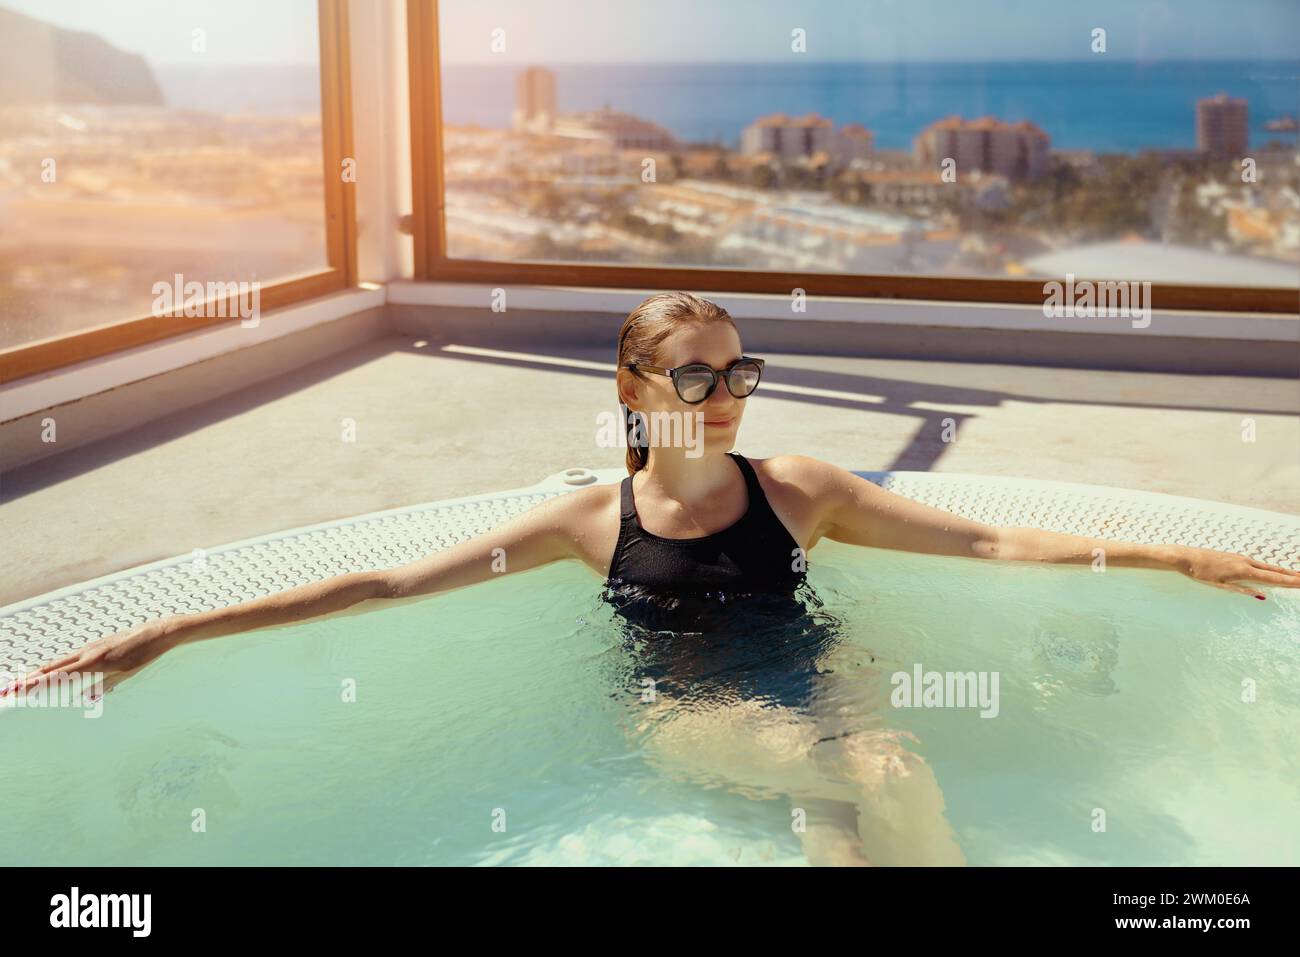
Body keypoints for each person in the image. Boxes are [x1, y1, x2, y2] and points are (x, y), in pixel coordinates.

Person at [8, 291, 1297, 865]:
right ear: (634, 390)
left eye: (740, 372)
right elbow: (390, 587)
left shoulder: (802, 487)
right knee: (888, 770)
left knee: (850, 824)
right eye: (696, 377)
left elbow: (992, 544)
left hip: (820, 680)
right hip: (690, 716)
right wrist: (174, 629)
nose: (726, 396)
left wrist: (1166, 552)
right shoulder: (587, 518)